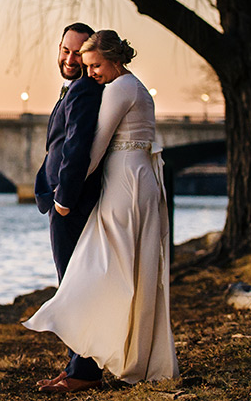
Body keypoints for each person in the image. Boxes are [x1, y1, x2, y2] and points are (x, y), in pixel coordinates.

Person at [24, 30, 179, 391]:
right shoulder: (124, 86)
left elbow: (90, 148)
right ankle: (93, 360)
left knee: (96, 270)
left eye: (93, 63)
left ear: (113, 58)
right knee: (114, 269)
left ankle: (87, 366)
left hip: (125, 185)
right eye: (76, 56)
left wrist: (65, 197)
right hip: (130, 180)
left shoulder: (118, 89)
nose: (87, 69)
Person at [30, 22, 105, 392]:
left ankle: (85, 372)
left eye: (78, 52)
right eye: (65, 50)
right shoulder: (74, 89)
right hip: (63, 199)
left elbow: (77, 147)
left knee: (75, 286)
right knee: (71, 284)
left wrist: (63, 200)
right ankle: (77, 363)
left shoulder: (87, 90)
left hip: (70, 203)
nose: (70, 58)